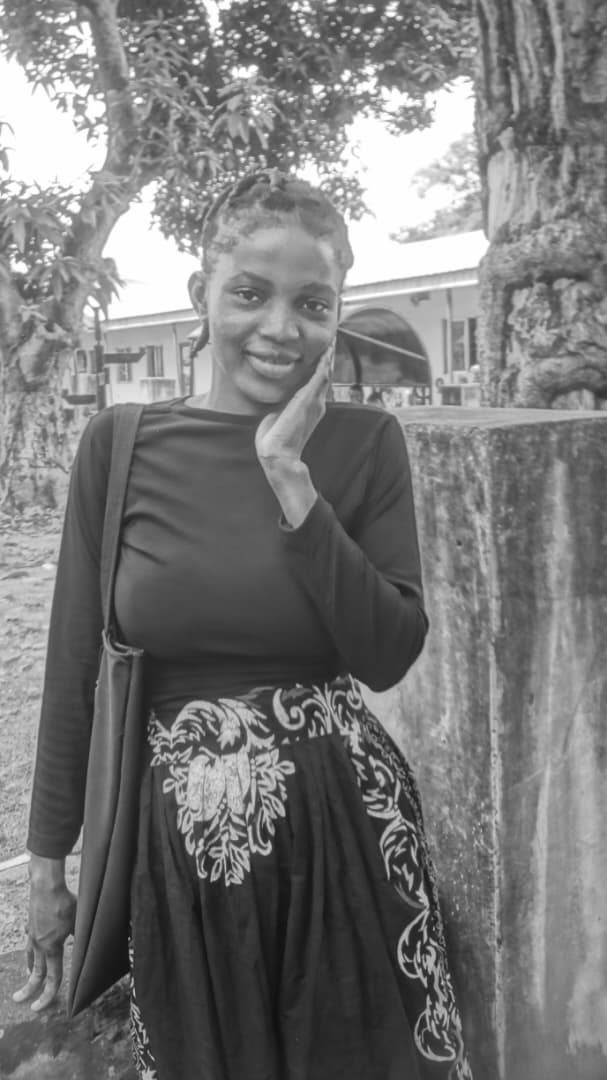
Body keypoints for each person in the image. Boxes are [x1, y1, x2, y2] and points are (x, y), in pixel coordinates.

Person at [15, 171, 472, 1080]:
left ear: (336, 314)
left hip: (346, 831)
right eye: (251, 294)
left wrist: (291, 481)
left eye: (312, 304)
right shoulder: (120, 445)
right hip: (183, 848)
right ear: (203, 294)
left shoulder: (364, 445)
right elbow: (74, 664)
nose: (280, 327)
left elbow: (387, 653)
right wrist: (45, 864)